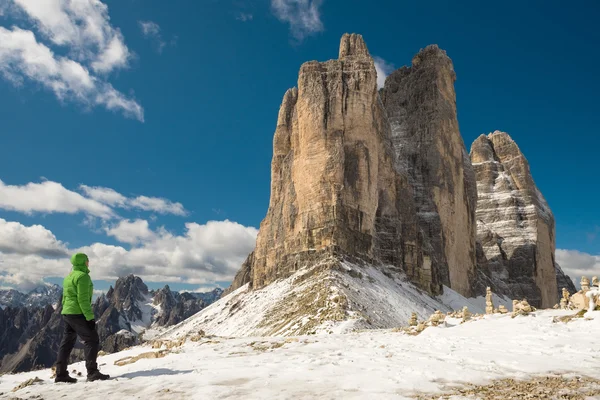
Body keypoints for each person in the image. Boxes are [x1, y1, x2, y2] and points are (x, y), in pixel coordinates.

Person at [55, 253, 110, 383]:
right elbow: (83, 299)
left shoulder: (68, 277)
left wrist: (65, 310)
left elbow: (65, 297)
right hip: (77, 312)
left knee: (67, 342)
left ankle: (61, 374)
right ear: (82, 262)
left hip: (67, 312)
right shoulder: (83, 276)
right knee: (91, 339)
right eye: (87, 260)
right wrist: (90, 317)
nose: (88, 262)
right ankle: (92, 373)